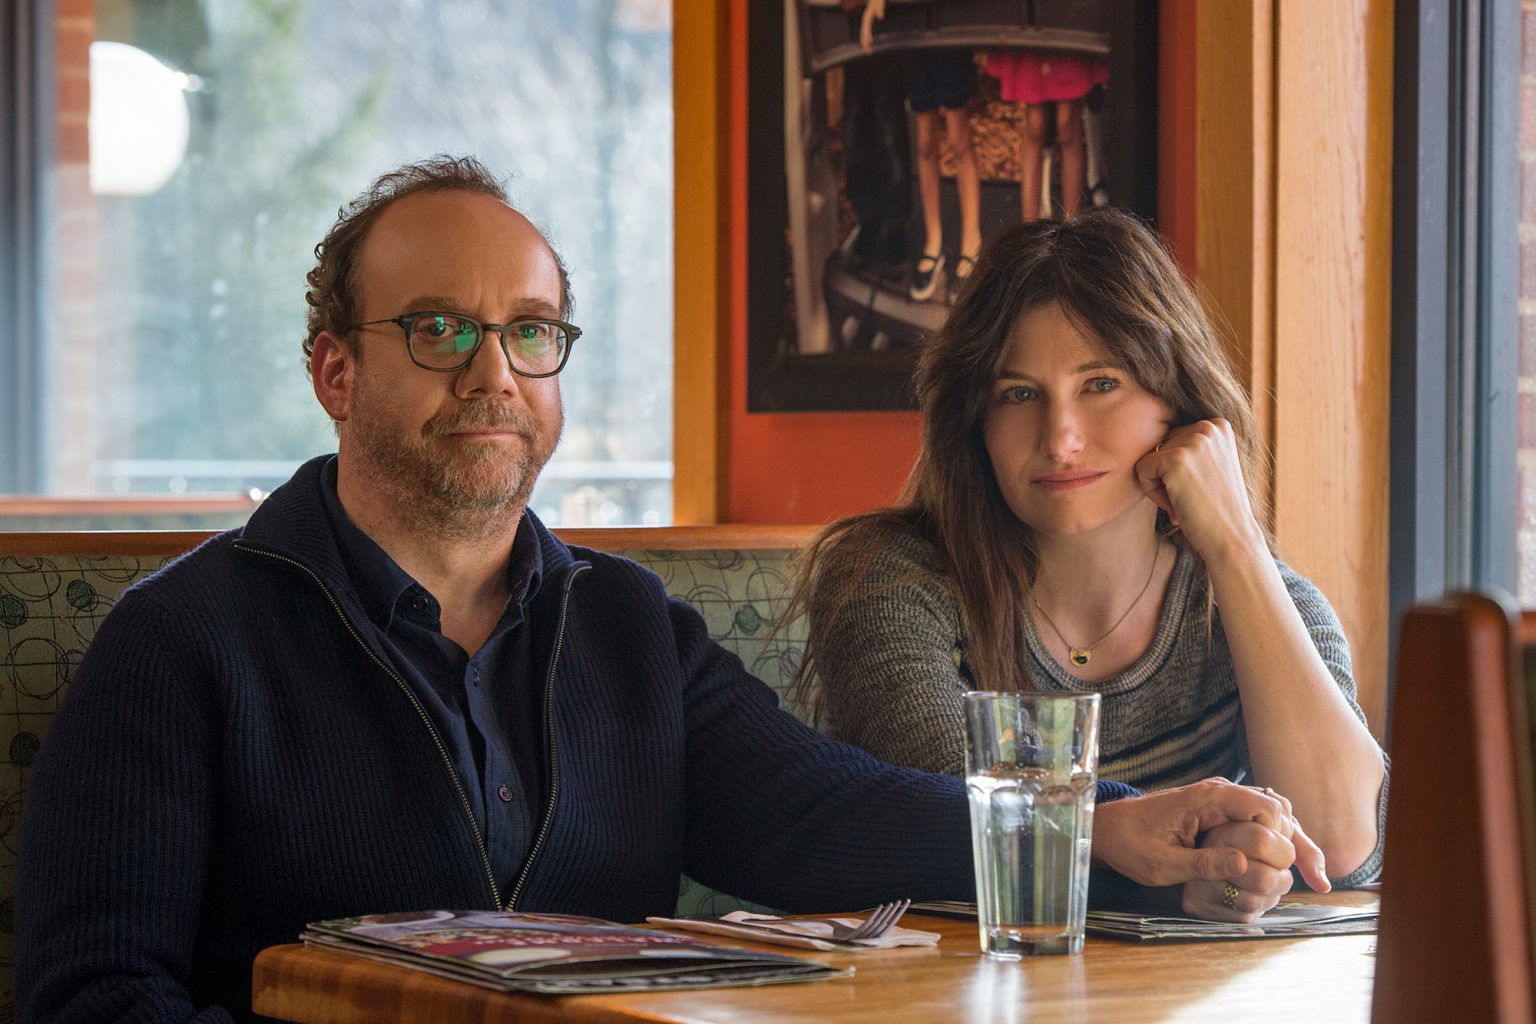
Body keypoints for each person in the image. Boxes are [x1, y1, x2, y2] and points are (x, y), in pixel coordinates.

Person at [17, 159, 1324, 1023]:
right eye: (439, 328)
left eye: (531, 332)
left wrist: (1110, 832)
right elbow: (91, 998)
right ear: (334, 373)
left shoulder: (627, 625)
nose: (494, 374)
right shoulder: (180, 643)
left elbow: (820, 814)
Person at [791, 208, 1388, 892]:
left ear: (1177, 403)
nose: (1060, 439)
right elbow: (968, 827)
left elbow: (1341, 849)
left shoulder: (1261, 598)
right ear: (975, 422)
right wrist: (1205, 860)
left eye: (1101, 384)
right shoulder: (885, 581)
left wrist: (1236, 544)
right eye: (1018, 394)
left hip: (1196, 969)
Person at [859, 1, 983, 300]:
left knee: (958, 137)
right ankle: (933, 237)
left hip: (948, 28)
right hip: (914, 33)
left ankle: (972, 239)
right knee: (925, 142)